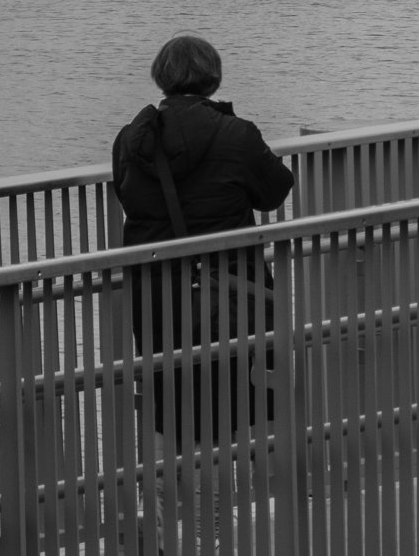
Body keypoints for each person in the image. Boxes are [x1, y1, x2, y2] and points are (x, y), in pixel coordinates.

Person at [111, 34, 294, 549]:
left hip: (156, 302)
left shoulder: (132, 138)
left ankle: (168, 541)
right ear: (212, 77)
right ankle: (210, 542)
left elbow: (128, 192)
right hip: (226, 303)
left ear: (161, 77)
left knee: (168, 421)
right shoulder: (235, 134)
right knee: (215, 431)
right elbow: (275, 190)